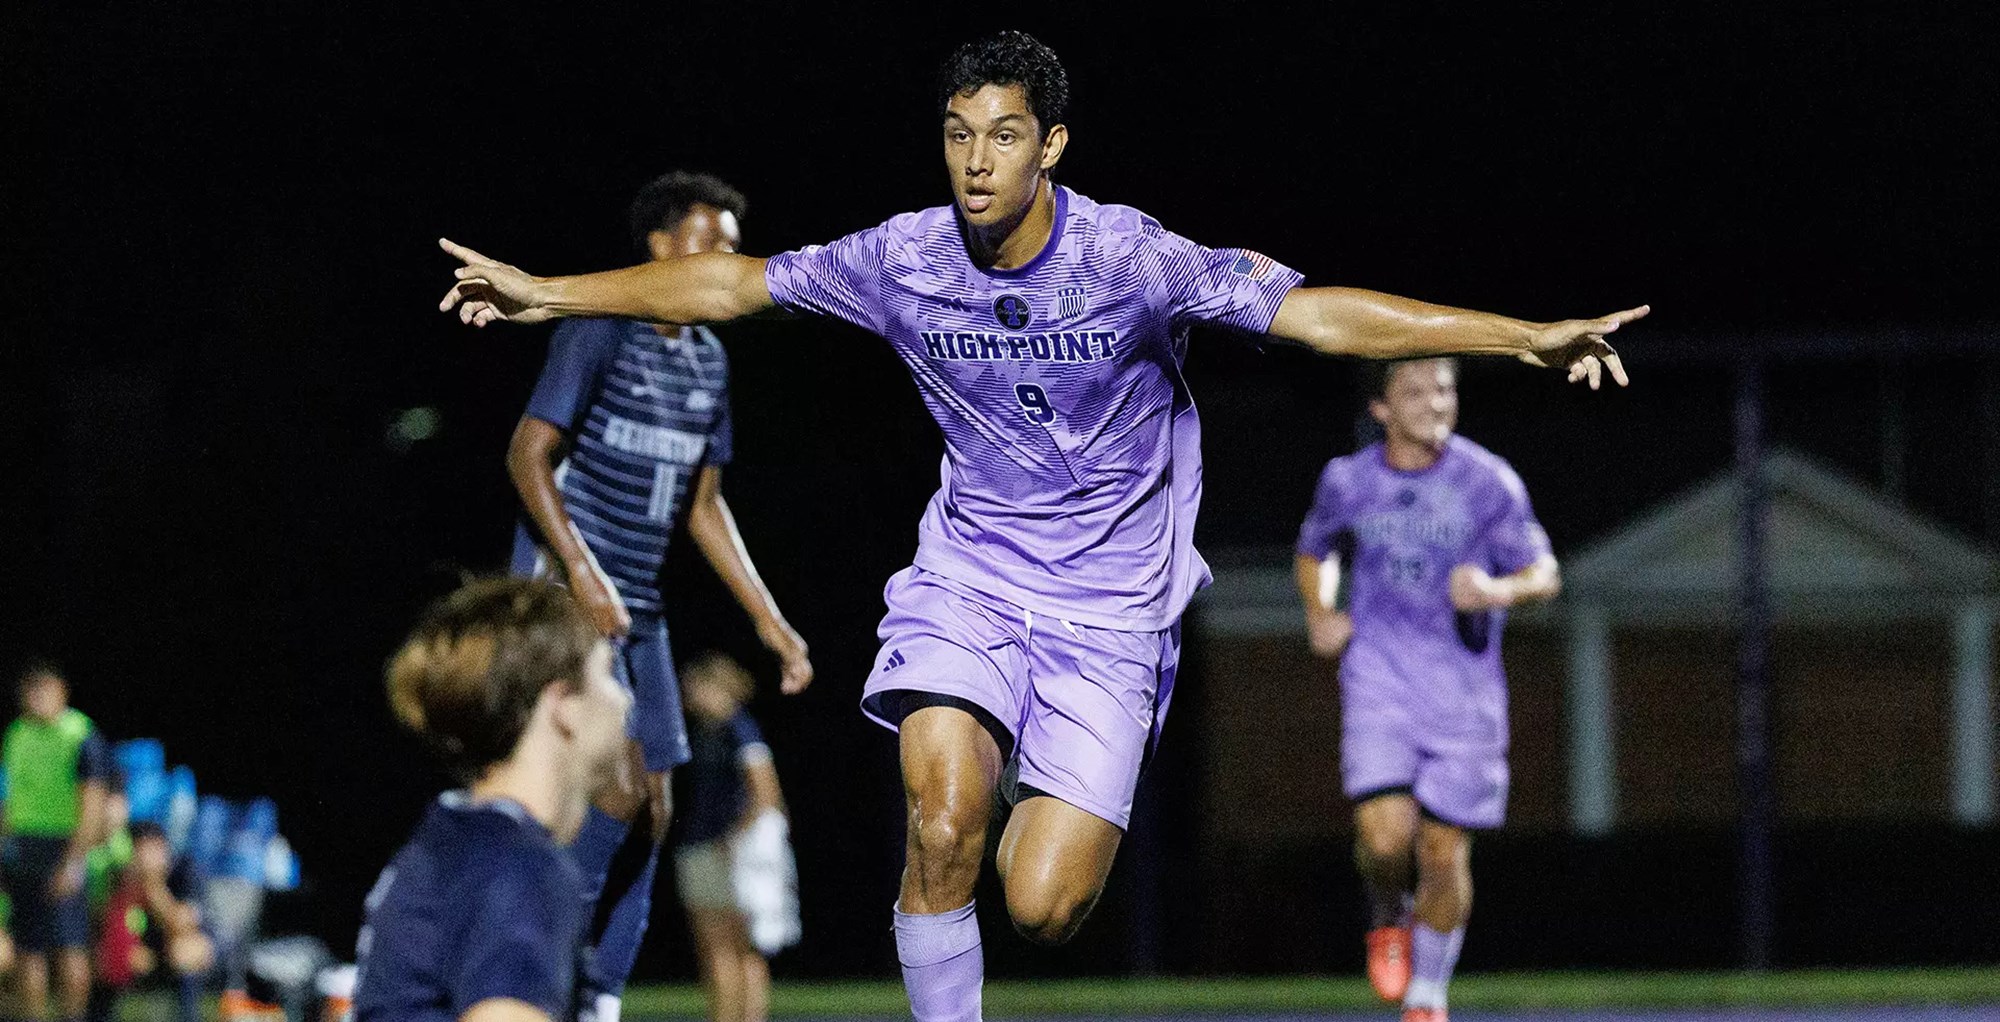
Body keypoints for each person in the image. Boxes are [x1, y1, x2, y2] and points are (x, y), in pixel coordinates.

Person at [436, 30, 1642, 1021]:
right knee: (941, 819)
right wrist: (549, 290)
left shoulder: (1128, 257)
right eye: (958, 133)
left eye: (1002, 134)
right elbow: (730, 285)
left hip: (1113, 615)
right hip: (969, 580)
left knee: (1042, 902)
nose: (975, 159)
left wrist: (1517, 334)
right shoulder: (901, 257)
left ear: (1049, 144)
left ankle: (1038, 763)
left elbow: (1320, 317)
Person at [506, 170, 813, 1022]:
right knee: (618, 788)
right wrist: (579, 571)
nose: (722, 260)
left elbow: (704, 506)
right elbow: (527, 455)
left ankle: (597, 997)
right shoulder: (602, 328)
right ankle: (540, 971)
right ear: (658, 248)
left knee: (658, 807)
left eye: (729, 246)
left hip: (639, 605)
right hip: (568, 595)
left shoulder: (709, 361)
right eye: (706, 243)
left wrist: (768, 618)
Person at [1296, 359, 1562, 1022]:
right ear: (1381, 409)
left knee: (1443, 851)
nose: (1434, 402)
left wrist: (1501, 589)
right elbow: (1315, 549)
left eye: (1444, 388)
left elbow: (1545, 573)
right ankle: (1388, 907)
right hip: (1379, 681)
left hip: (1462, 693)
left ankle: (1427, 996)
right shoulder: (1348, 480)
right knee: (1386, 841)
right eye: (1414, 391)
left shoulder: (1487, 481)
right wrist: (1320, 610)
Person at [351, 578, 633, 1022]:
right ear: (563, 704)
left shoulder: (458, 838)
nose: (624, 700)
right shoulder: (519, 866)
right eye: (606, 673)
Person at [673, 653, 798, 1022]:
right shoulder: (702, 731)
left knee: (730, 949)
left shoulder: (738, 728)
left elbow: (766, 793)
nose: (689, 695)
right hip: (702, 845)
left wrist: (736, 839)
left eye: (695, 687)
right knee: (723, 949)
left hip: (723, 851)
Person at [1, 662, 112, 1022]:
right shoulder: (16, 734)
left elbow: (93, 806)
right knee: (27, 948)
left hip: (66, 847)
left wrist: (73, 862)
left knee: (70, 946)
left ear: (62, 690)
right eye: (30, 690)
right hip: (23, 848)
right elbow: (10, 798)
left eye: (44, 688)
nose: (37, 697)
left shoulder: (82, 735)